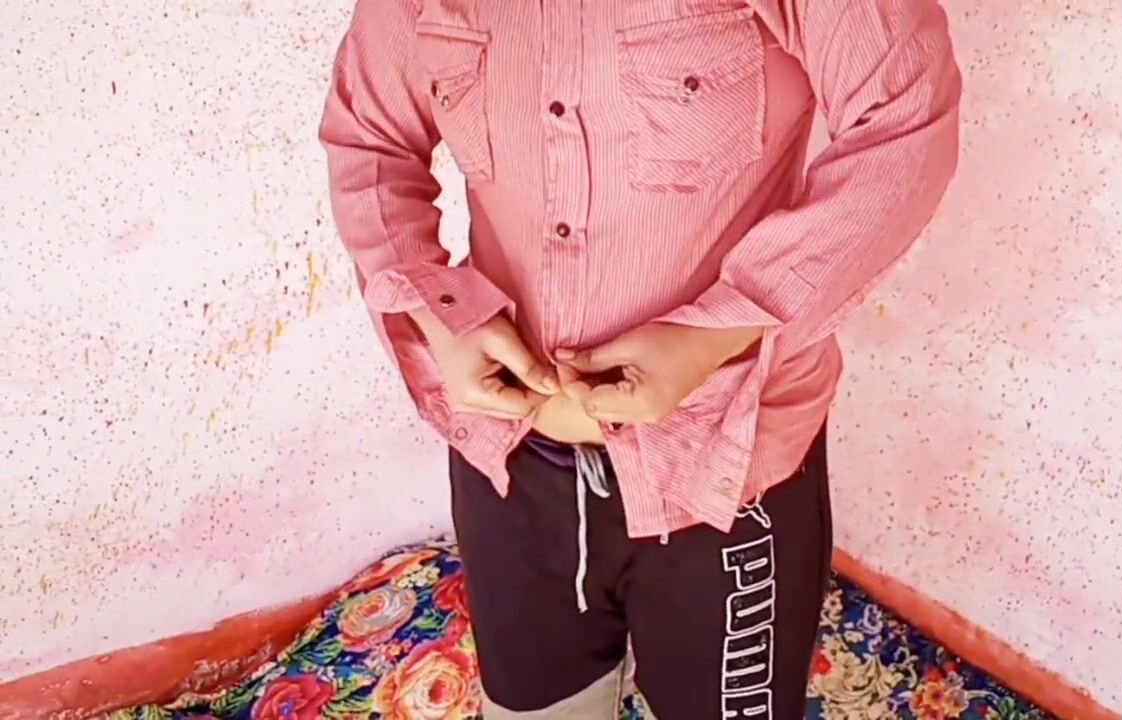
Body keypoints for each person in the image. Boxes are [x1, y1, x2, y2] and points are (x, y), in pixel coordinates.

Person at [320, 0, 960, 716]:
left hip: (725, 461)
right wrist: (441, 315)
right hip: (511, 461)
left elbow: (906, 120)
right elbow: (369, 138)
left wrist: (713, 333)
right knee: (534, 708)